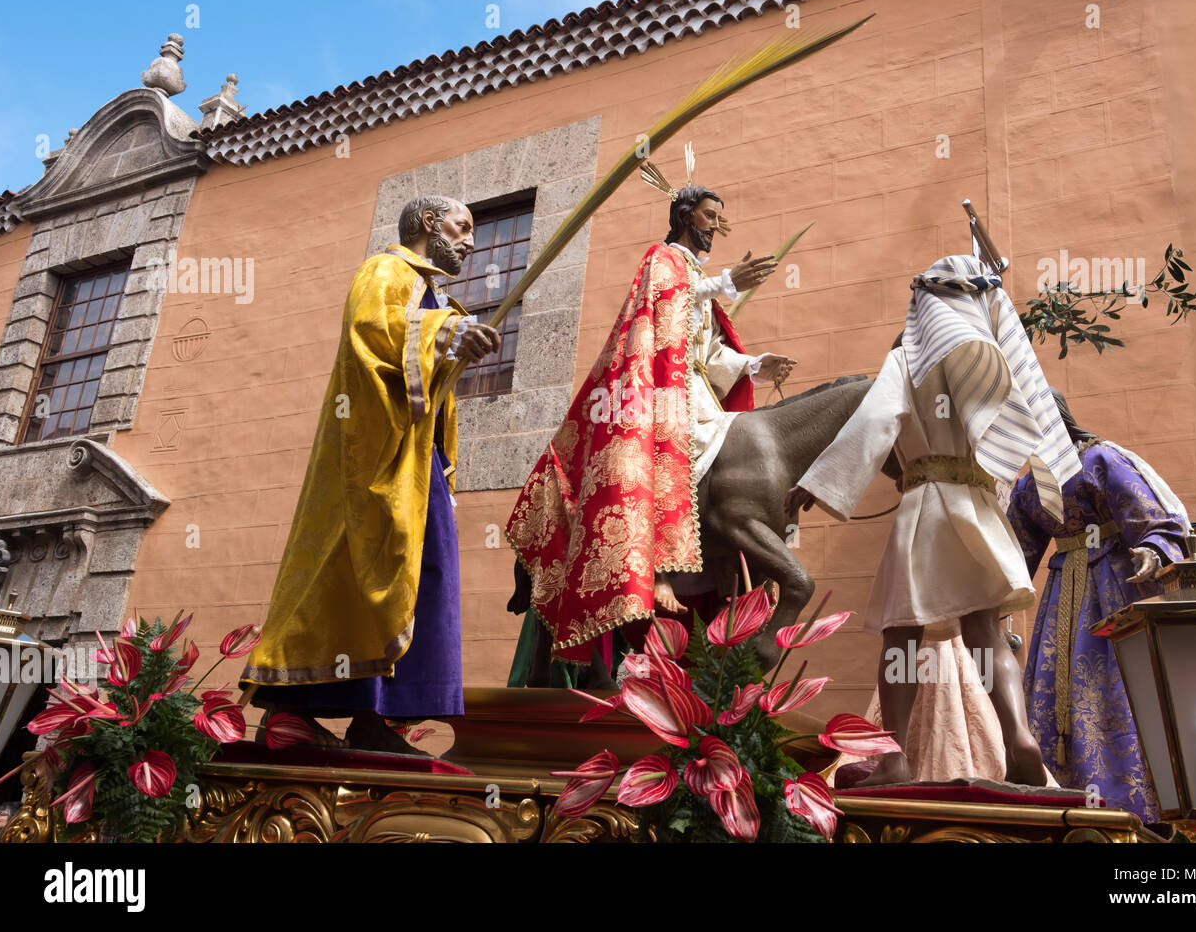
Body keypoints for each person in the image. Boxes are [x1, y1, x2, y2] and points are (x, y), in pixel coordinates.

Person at [785, 254, 1081, 786]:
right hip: (980, 508)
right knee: (986, 631)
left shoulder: (910, 361)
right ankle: (1018, 737)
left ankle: (894, 757)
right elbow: (1024, 430)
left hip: (927, 506)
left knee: (902, 636)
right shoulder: (993, 364)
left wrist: (817, 482)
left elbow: (875, 420)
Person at [240, 196, 501, 752]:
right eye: (463, 227)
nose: (472, 242)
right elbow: (372, 328)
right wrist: (446, 335)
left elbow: (426, 370)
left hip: (414, 455)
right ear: (429, 224)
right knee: (359, 569)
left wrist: (452, 340)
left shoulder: (434, 293)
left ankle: (375, 720)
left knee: (425, 571)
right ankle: (289, 712)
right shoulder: (386, 269)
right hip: (374, 455)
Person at [506, 172, 795, 668]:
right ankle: (656, 570)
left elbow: (704, 354)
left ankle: (718, 566)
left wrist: (752, 365)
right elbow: (660, 309)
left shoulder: (695, 279)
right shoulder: (661, 260)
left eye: (719, 220)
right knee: (659, 464)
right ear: (685, 215)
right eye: (709, 217)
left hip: (697, 391)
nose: (715, 227)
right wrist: (722, 284)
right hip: (662, 396)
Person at [1007, 389, 1189, 821]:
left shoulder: (1100, 459)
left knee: (1118, 687)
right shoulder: (1030, 484)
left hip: (1116, 585)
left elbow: (1152, 515)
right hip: (1061, 599)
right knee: (1058, 695)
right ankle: (1061, 797)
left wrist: (1153, 548)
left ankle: (1133, 802)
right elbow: (1014, 551)